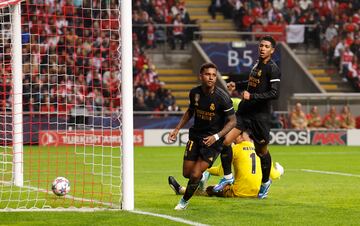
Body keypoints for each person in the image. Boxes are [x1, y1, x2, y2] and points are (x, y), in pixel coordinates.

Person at [217, 36, 281, 199]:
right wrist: (236, 85)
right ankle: (227, 177)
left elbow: (275, 93)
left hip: (260, 117)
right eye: (261, 46)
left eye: (266, 46)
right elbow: (252, 83)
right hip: (245, 113)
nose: (262, 48)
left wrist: (252, 97)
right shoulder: (257, 65)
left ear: (272, 50)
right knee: (224, 141)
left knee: (262, 151)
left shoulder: (273, 68)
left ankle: (265, 182)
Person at [168, 62, 236, 210]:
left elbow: (233, 120)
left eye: (213, 75)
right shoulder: (194, 93)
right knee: (187, 173)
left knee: (195, 174)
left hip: (213, 142)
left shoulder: (222, 97)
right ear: (201, 76)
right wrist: (177, 129)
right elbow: (190, 111)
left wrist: (217, 137)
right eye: (207, 74)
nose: (211, 78)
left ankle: (183, 202)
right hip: (195, 137)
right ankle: (202, 177)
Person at [168, 131, 284, 198]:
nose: (233, 138)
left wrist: (204, 170)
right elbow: (273, 174)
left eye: (235, 135)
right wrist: (280, 170)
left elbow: (220, 172)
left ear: (240, 136)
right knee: (232, 181)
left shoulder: (235, 148)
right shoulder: (261, 150)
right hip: (258, 192)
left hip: (239, 192)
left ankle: (181, 190)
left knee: (211, 189)